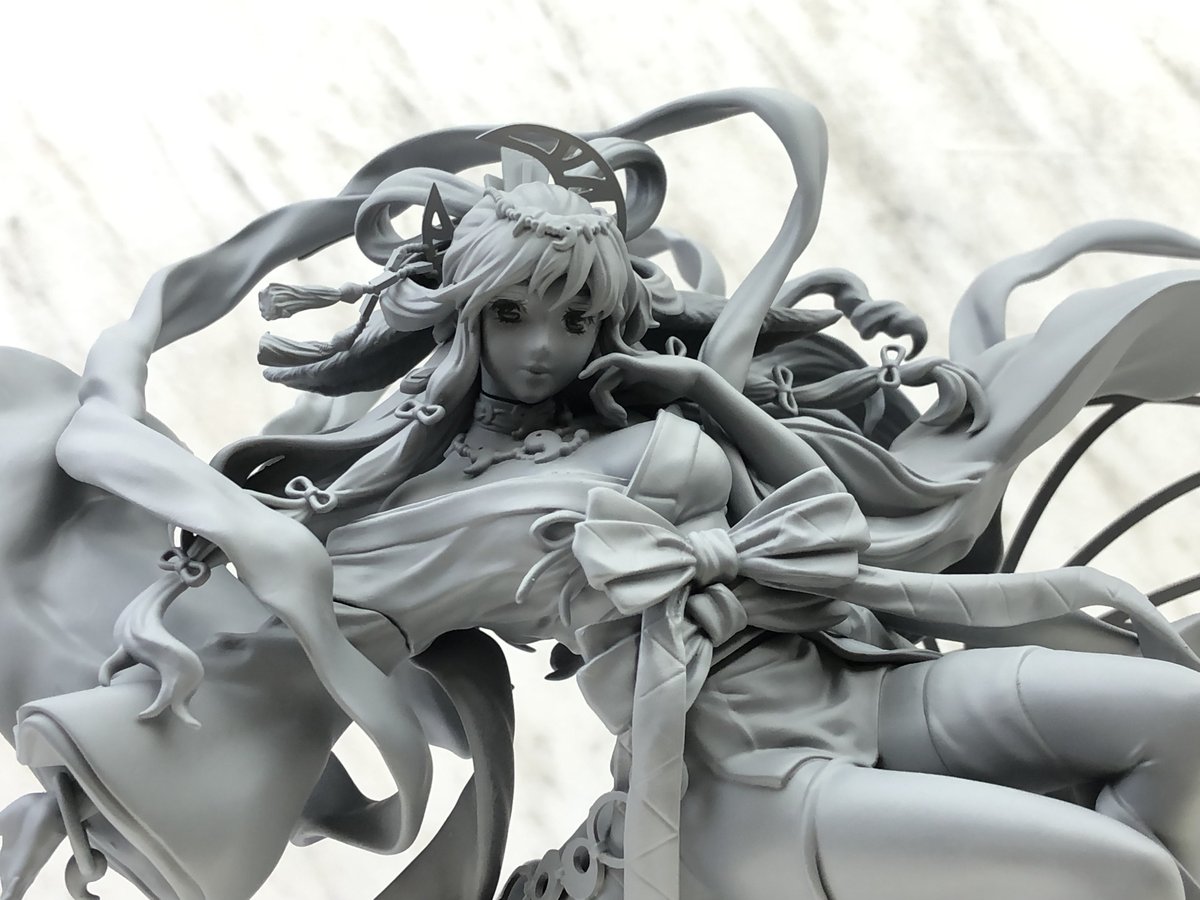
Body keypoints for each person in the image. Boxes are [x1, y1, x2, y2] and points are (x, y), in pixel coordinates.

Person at [3, 88, 1200, 900]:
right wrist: (99, 756)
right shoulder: (440, 502)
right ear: (465, 315)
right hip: (749, 782)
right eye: (513, 314)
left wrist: (712, 390)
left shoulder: (644, 408)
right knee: (1135, 880)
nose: (544, 346)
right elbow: (297, 632)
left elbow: (825, 524)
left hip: (866, 689)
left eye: (575, 316)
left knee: (1183, 724)